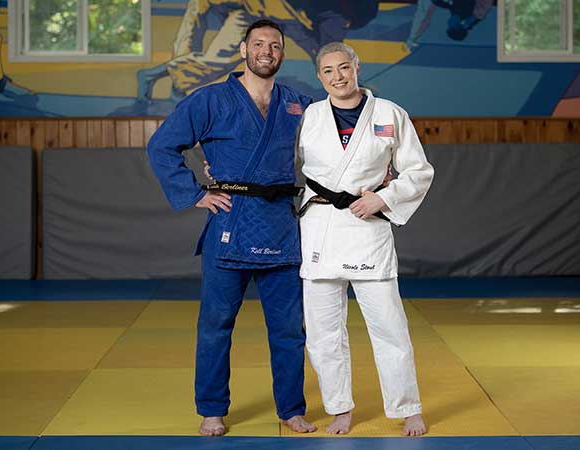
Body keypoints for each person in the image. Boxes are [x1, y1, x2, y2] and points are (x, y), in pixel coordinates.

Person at [146, 19, 316, 437]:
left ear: (282, 53)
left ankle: (292, 409)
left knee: (290, 328)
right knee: (216, 324)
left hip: (280, 224)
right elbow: (161, 145)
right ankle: (212, 410)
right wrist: (195, 193)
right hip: (231, 221)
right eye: (258, 44)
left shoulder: (297, 102)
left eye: (274, 45)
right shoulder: (210, 100)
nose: (266, 51)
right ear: (243, 50)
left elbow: (338, 128)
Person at [296, 42, 434, 436]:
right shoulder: (310, 117)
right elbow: (284, 166)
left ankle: (407, 407)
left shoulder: (390, 114)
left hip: (367, 225)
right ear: (319, 76)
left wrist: (383, 198)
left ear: (357, 68)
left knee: (390, 326)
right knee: (324, 333)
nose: (337, 77)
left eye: (344, 67)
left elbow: (418, 171)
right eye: (328, 71)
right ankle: (340, 408)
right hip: (321, 226)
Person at [135, 0, 380, 102]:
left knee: (318, 49)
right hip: (260, 11)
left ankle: (165, 76)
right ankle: (158, 74)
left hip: (279, 12)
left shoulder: (335, 14)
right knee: (218, 59)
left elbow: (324, 44)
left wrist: (349, 87)